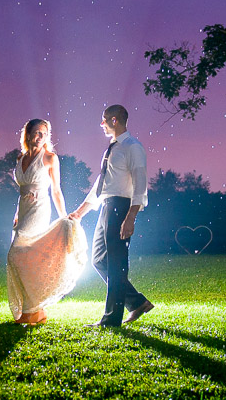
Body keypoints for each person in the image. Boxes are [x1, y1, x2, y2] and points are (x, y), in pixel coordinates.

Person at [69, 105, 153, 327]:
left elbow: (140, 183)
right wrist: (80, 211)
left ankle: (111, 319)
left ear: (114, 120)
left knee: (116, 264)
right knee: (98, 259)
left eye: (103, 120)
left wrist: (131, 216)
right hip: (107, 206)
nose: (101, 124)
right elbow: (103, 182)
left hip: (121, 207)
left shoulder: (132, 147)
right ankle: (136, 303)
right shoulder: (112, 149)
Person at [7, 118, 88, 325]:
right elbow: (22, 190)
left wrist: (63, 217)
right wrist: (17, 212)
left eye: (44, 133)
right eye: (36, 132)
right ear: (28, 134)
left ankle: (30, 310)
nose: (40, 136)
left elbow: (56, 190)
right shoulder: (20, 157)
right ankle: (36, 310)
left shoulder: (50, 158)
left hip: (39, 208)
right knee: (27, 259)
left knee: (16, 253)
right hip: (23, 210)